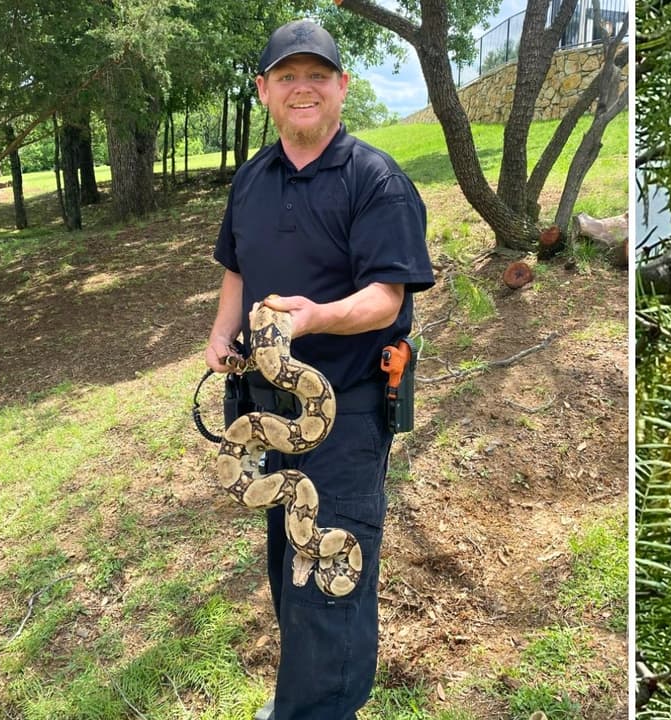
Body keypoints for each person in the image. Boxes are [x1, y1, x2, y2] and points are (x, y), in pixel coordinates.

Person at [204, 18, 434, 720]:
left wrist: (308, 318)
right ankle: (299, 702)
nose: (301, 88)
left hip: (347, 412)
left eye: (316, 75)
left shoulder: (376, 180)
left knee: (325, 576)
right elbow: (237, 268)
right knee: (286, 561)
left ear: (342, 86)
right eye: (286, 76)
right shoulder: (253, 179)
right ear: (263, 91)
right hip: (262, 410)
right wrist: (221, 334)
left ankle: (317, 711)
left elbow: (384, 299)